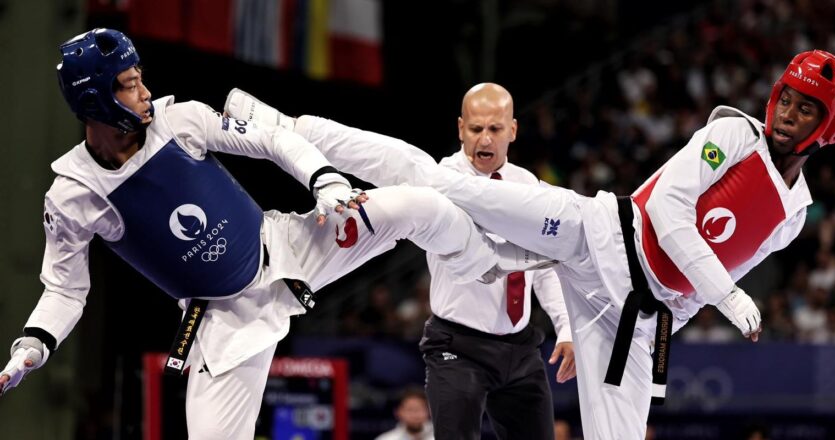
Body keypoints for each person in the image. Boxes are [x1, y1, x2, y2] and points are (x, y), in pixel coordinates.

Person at [227, 49, 835, 439]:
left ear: (827, 126)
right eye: (785, 98)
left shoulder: (793, 214)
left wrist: (656, 326)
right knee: (431, 180)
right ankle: (284, 127)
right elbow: (672, 213)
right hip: (593, 237)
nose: (787, 113)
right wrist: (730, 298)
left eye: (805, 108)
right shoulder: (733, 133)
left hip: (626, 320)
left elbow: (699, 282)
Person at [0, 29, 552, 440]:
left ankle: (494, 260)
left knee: (419, 201)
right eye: (128, 84)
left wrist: (326, 182)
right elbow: (66, 290)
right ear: (93, 98)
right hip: (223, 319)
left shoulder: (181, 120)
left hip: (291, 245)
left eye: (140, 76)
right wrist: (33, 344)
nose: (144, 91)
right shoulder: (73, 195)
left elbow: (270, 144)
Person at [417, 83, 574, 440]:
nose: (484, 140)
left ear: (513, 131)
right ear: (460, 128)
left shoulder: (528, 184)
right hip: (458, 346)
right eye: (475, 129)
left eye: (494, 129)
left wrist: (566, 326)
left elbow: (545, 266)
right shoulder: (440, 184)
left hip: (520, 348)